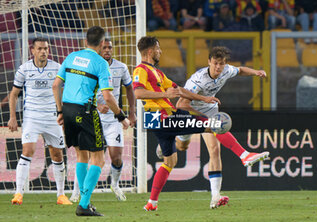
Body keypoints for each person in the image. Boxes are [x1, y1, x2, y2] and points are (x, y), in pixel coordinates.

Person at [171, 46, 269, 209]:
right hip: (189, 111)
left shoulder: (225, 70)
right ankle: (168, 143)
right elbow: (181, 104)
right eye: (215, 63)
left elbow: (240, 70)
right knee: (182, 146)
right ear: (209, 62)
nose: (218, 67)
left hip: (209, 109)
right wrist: (203, 109)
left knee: (215, 150)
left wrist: (256, 72)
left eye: (221, 64)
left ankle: (215, 195)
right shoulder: (198, 80)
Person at [134, 36, 222, 211]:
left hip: (159, 118)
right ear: (150, 51)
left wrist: (204, 98)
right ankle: (244, 155)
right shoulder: (140, 70)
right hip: (160, 116)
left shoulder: (158, 73)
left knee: (171, 160)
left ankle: (152, 203)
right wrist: (165, 95)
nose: (161, 51)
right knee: (213, 125)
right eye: (158, 49)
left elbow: (179, 90)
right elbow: (138, 93)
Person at [52, 26, 130, 217]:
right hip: (85, 111)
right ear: (102, 43)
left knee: (81, 156)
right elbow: (108, 97)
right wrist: (121, 116)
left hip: (68, 109)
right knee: (99, 159)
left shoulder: (71, 57)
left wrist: (60, 111)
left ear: (85, 41)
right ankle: (84, 204)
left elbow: (56, 85)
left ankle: (83, 200)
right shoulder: (101, 63)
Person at [69, 38, 136, 203]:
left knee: (116, 157)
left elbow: (129, 88)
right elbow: (79, 91)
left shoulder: (121, 67)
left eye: (110, 48)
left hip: (114, 119)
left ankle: (115, 184)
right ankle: (77, 191)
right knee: (88, 157)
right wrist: (98, 105)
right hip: (92, 117)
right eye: (104, 47)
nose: (107, 50)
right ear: (99, 49)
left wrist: (132, 113)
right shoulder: (90, 67)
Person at [8, 38, 72, 206]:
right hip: (32, 117)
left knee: (57, 154)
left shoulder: (57, 67)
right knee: (28, 150)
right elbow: (14, 94)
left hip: (53, 117)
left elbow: (64, 90)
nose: (43, 51)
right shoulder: (24, 69)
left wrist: (64, 113)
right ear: (33, 50)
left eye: (46, 48)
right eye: (40, 48)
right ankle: (18, 193)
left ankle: (61, 195)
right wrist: (13, 117)